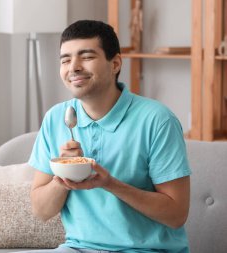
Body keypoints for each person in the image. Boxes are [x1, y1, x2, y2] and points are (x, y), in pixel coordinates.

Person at [23, 20, 192, 253]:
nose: (73, 67)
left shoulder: (157, 120)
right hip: (77, 248)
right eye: (65, 60)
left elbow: (176, 214)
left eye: (87, 56)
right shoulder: (56, 118)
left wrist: (110, 184)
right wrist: (62, 176)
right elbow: (40, 211)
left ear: (115, 64)